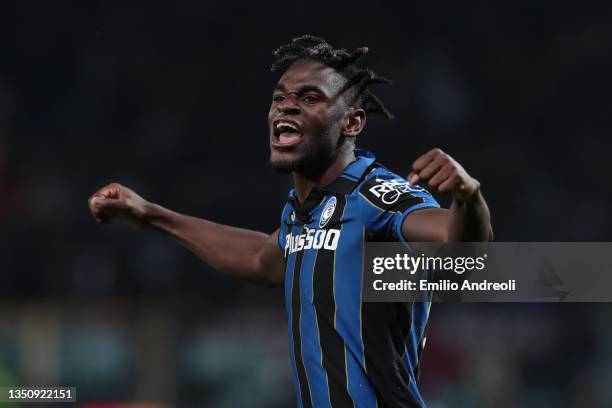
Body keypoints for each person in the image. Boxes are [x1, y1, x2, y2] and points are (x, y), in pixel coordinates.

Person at [88, 35, 492, 408]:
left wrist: (468, 196)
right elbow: (263, 257)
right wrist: (150, 214)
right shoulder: (305, 211)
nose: (287, 105)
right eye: (279, 98)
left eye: (310, 97)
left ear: (351, 122)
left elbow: (464, 251)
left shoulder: (374, 195)